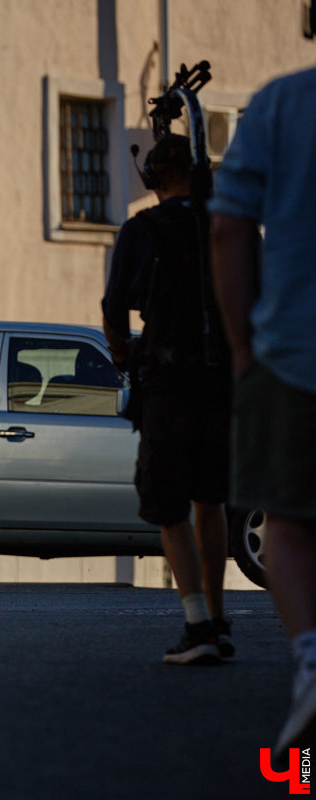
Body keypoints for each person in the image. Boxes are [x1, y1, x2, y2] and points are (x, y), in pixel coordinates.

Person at [209, 66, 316, 759]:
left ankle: (311, 661)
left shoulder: (280, 105)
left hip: (293, 354)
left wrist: (243, 346)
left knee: (288, 520)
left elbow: (227, 230)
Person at [102, 133, 233, 665]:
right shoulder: (225, 226)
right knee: (212, 499)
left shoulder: (142, 230)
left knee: (168, 505)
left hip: (168, 385)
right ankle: (220, 618)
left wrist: (123, 352)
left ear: (153, 177)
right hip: (222, 384)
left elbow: (114, 309)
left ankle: (197, 624)